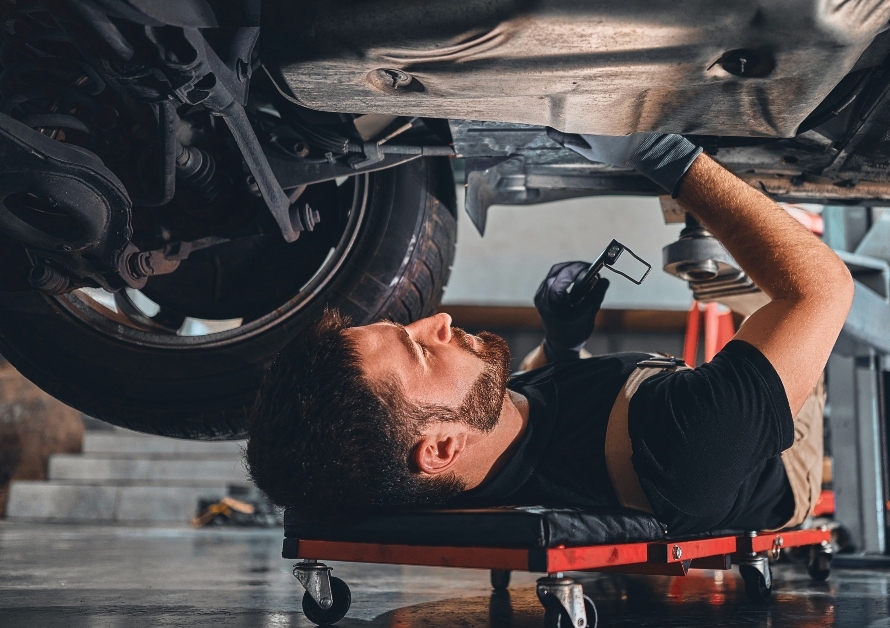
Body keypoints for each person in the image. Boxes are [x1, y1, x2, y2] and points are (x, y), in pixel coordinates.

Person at [245, 132, 854, 535]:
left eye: (410, 327)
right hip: (773, 460)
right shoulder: (685, 445)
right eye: (420, 350)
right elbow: (822, 290)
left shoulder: (454, 459)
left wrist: (562, 341)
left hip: (652, 407)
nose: (437, 321)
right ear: (439, 449)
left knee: (715, 241)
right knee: (761, 277)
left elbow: (533, 416)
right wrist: (667, 155)